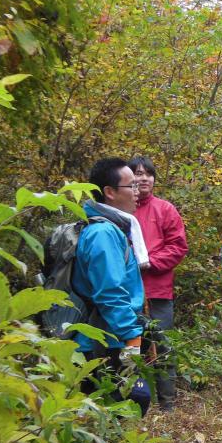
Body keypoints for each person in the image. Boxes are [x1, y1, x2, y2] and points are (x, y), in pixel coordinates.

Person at [73, 158, 149, 415]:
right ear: (110, 192)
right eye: (132, 187)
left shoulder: (114, 228)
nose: (137, 193)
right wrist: (132, 336)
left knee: (128, 402)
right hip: (100, 342)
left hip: (109, 336)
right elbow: (110, 292)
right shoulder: (103, 233)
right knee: (123, 404)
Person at [129, 156, 188, 412]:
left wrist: (150, 262)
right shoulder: (120, 210)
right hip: (126, 291)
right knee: (130, 345)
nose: (143, 178)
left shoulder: (165, 209)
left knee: (162, 343)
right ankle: (133, 400)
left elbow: (178, 246)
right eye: (137, 173)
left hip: (158, 289)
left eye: (148, 174)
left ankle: (167, 401)